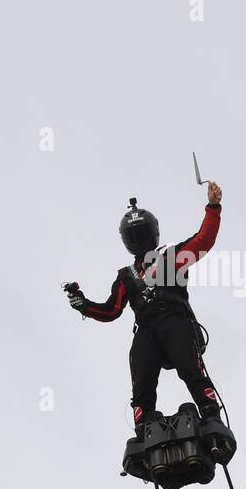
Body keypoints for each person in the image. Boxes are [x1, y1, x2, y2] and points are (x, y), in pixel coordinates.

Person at [66, 181, 225, 437]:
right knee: (141, 367)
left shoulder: (170, 257)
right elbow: (112, 310)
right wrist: (83, 304)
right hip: (147, 328)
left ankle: (210, 412)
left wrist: (213, 207)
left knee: (188, 366)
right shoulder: (126, 276)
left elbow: (203, 240)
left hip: (175, 319)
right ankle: (144, 425)